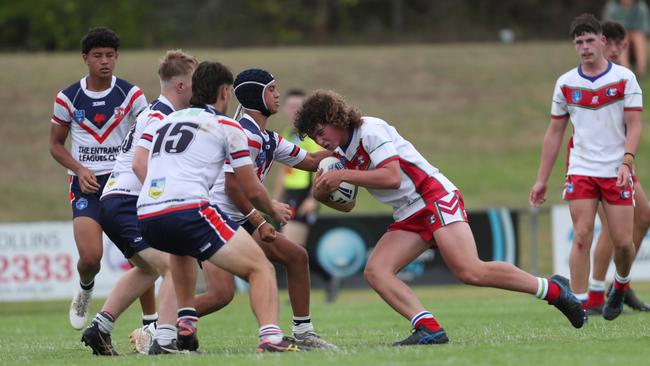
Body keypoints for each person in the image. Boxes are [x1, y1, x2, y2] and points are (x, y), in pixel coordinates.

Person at [295, 90, 584, 346]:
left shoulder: (370, 130)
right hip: (409, 211)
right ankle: (427, 327)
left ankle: (553, 289)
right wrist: (323, 195)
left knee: (470, 271)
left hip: (433, 197)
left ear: (336, 118)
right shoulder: (342, 152)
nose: (320, 141)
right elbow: (349, 205)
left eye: (321, 131)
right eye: (314, 137)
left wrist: (341, 175)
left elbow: (392, 177)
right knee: (376, 271)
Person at [135, 61, 304, 353]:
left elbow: (142, 162)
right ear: (225, 92)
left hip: (148, 212)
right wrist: (272, 210)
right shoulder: (228, 126)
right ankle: (271, 338)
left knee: (181, 252)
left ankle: (169, 335)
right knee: (260, 267)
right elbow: (249, 187)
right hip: (189, 208)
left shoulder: (163, 120)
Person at [80, 50, 198, 355]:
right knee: (174, 265)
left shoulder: (159, 113)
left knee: (147, 269)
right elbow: (140, 165)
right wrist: (165, 198)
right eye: (195, 82)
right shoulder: (159, 117)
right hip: (125, 202)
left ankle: (100, 329)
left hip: (117, 201)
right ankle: (164, 341)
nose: (200, 90)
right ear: (181, 86)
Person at [206, 69, 334, 349]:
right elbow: (232, 187)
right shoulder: (241, 134)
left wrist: (349, 149)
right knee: (221, 294)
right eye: (272, 89)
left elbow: (311, 160)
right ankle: (159, 329)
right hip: (216, 217)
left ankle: (303, 332)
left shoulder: (268, 138)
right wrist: (262, 218)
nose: (278, 94)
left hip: (240, 217)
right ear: (255, 95)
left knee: (297, 256)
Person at [530, 14, 641, 321]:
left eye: (590, 40)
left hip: (616, 170)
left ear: (602, 41)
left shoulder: (624, 78)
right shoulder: (566, 83)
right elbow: (554, 133)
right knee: (581, 234)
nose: (585, 47)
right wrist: (541, 180)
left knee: (624, 243)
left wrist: (627, 162)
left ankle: (618, 286)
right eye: (579, 42)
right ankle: (579, 304)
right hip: (581, 169)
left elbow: (634, 126)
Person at [49, 27, 149, 331]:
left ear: (116, 57)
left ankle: (150, 324)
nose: (104, 61)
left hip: (123, 184)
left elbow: (150, 131)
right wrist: (80, 169)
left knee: (144, 257)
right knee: (91, 257)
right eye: (97, 55)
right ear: (85, 59)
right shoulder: (68, 98)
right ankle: (86, 284)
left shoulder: (131, 95)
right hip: (86, 185)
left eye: (110, 55)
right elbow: (55, 145)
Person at [584, 21, 650, 314]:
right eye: (611, 45)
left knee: (643, 216)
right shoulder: (591, 77)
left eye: (619, 46)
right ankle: (597, 294)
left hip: (619, 162)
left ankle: (619, 285)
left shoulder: (622, 78)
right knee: (612, 227)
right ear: (601, 43)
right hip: (593, 163)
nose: (615, 51)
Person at [273, 89, 321, 246]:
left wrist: (312, 199)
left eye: (298, 106)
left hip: (305, 193)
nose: (294, 111)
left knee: (291, 248)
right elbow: (283, 170)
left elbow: (322, 167)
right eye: (291, 106)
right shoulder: (287, 134)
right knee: (290, 251)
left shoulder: (313, 135)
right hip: (290, 194)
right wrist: (276, 200)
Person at [603, 0, 650, 76]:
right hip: (618, 39)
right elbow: (608, 28)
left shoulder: (641, 7)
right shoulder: (612, 7)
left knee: (638, 36)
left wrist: (632, 33)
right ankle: (625, 67)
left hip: (636, 38)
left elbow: (644, 28)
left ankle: (641, 67)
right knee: (623, 36)